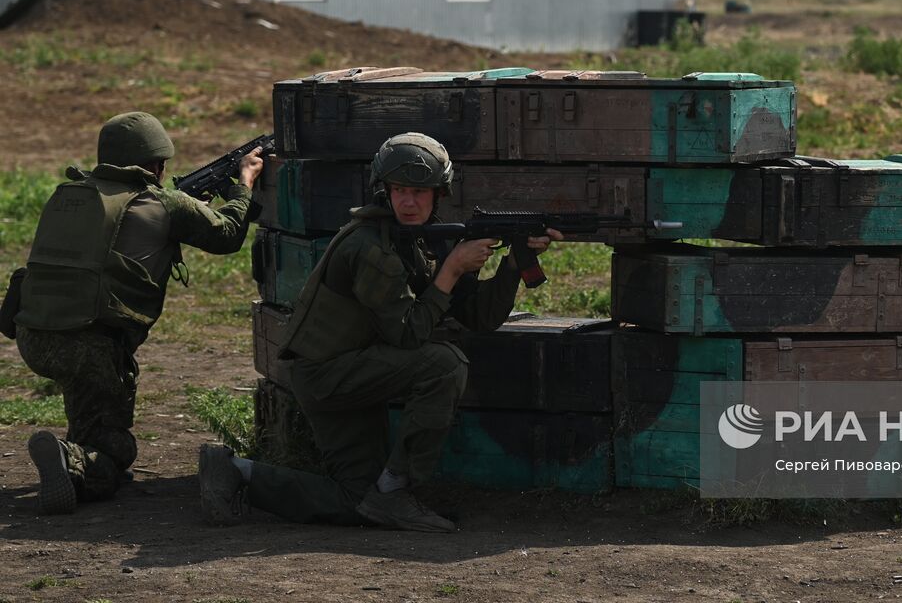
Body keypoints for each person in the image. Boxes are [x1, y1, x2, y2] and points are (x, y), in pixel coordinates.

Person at [198, 132, 560, 532]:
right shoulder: (371, 248)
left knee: (357, 502)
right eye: (400, 190)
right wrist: (453, 270)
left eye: (419, 192)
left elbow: (479, 316)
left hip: (351, 369)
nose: (409, 202)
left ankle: (236, 471)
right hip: (328, 376)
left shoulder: (420, 239)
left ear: (439, 193)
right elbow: (408, 335)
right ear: (383, 191)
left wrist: (512, 266)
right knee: (444, 364)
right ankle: (395, 491)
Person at [12, 112, 263, 515]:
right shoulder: (163, 201)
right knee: (116, 449)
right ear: (159, 163)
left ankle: (73, 448)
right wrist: (245, 183)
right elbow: (228, 235)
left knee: (89, 404)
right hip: (89, 346)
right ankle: (75, 461)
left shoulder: (73, 193)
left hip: (34, 334)